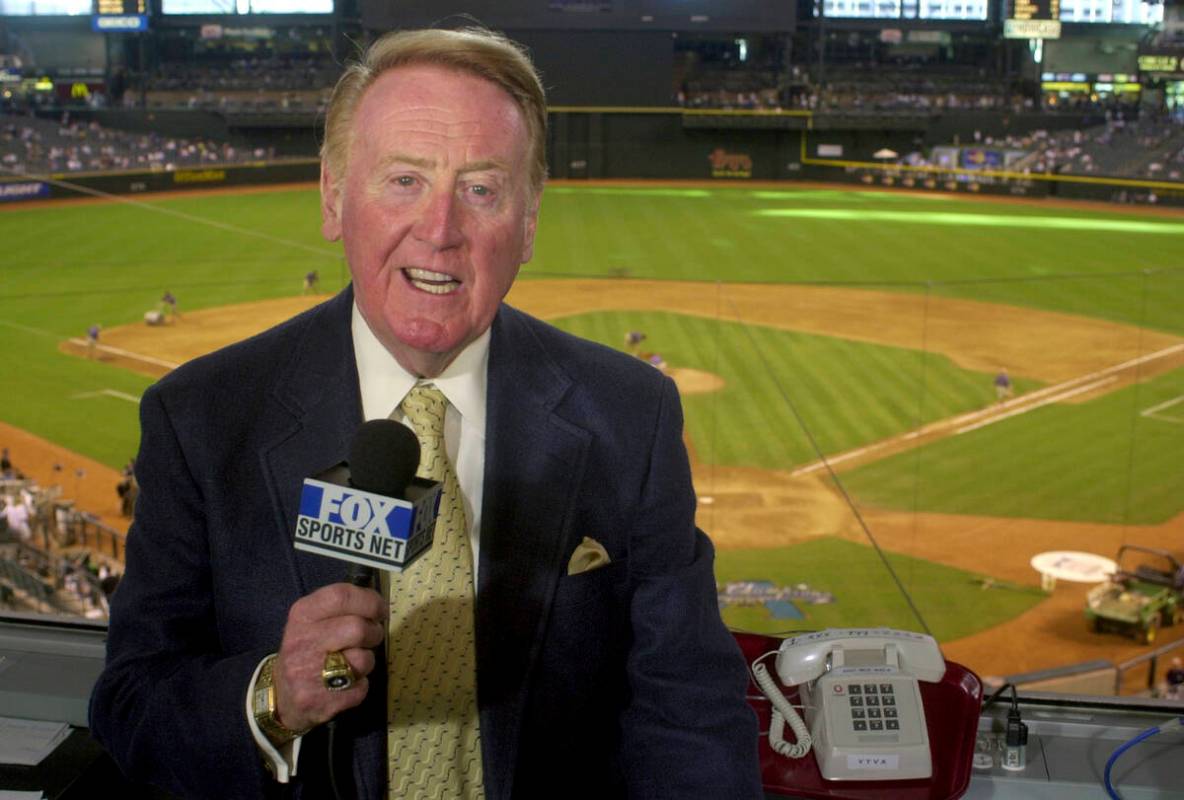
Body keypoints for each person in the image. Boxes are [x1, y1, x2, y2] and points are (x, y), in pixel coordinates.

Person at [89, 27, 762, 800]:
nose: (440, 230)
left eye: (481, 188)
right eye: (404, 180)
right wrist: (272, 695)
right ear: (334, 198)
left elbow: (689, 713)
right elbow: (131, 707)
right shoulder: (202, 418)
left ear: (530, 221)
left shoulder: (630, 416)